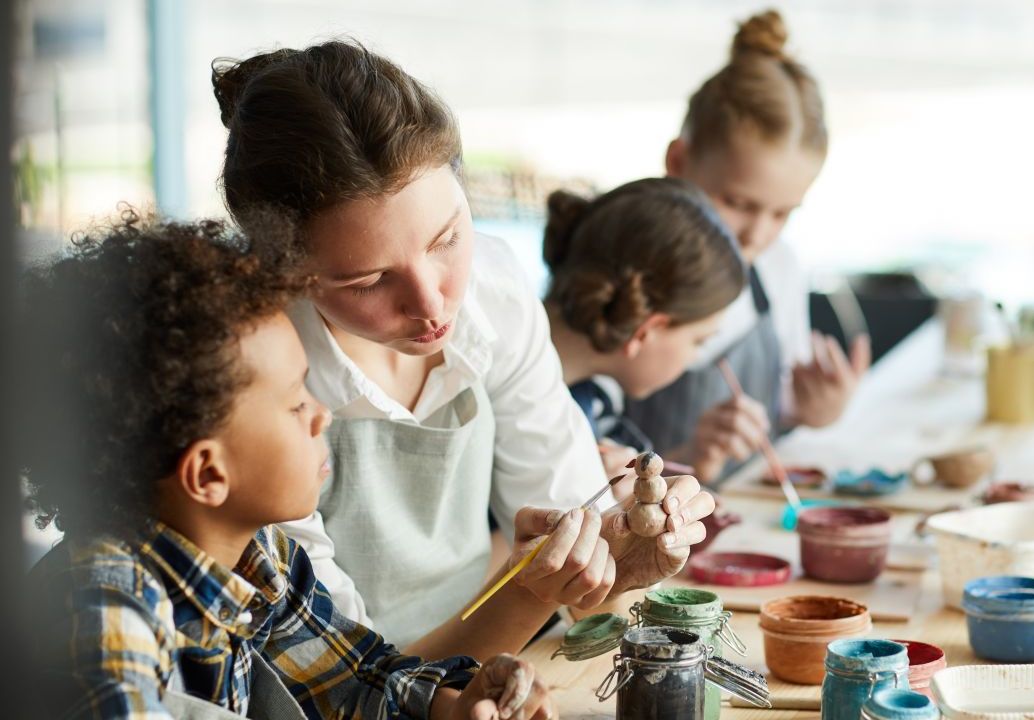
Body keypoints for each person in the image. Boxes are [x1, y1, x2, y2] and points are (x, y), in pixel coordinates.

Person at [212, 40, 715, 659]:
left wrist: (616, 561)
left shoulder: (494, 293)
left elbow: (583, 576)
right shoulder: (251, 373)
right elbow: (341, 680)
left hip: (477, 664)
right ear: (283, 271)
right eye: (368, 281)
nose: (433, 304)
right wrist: (530, 591)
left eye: (448, 238)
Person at [20, 212, 554, 720]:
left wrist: (454, 707)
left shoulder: (260, 556)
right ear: (208, 474)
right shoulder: (107, 614)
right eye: (295, 402)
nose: (321, 414)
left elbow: (356, 683)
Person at [623, 9, 872, 484]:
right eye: (737, 203)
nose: (757, 234)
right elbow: (574, 465)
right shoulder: (618, 273)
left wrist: (809, 409)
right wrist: (690, 454)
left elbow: (777, 407)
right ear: (678, 161)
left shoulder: (777, 267)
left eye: (782, 213)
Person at [542, 178, 747, 481]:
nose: (693, 357)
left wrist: (690, 458)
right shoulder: (505, 397)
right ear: (646, 331)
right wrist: (583, 506)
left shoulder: (591, 398)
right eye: (698, 341)